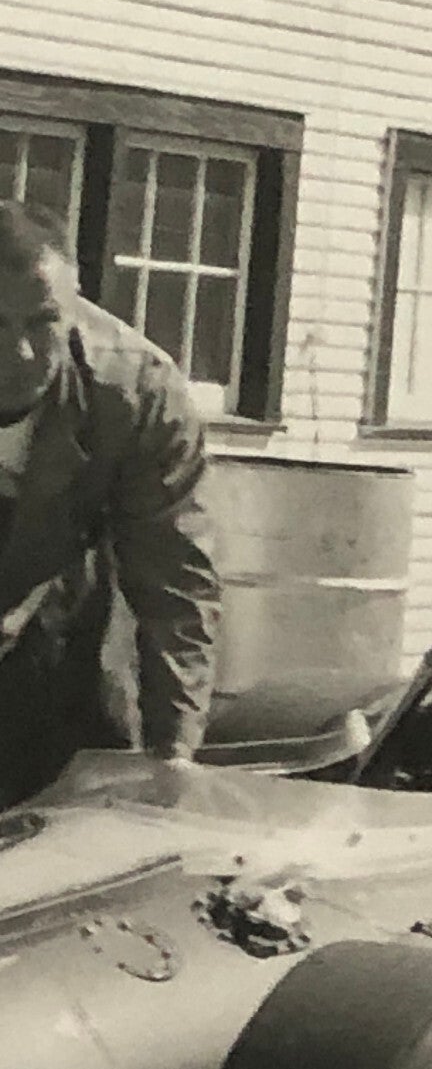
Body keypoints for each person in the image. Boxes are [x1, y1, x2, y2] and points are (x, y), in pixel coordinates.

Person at [0, 201, 219, 810]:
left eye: (41, 324)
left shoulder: (138, 393)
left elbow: (175, 585)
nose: (19, 354)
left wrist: (172, 756)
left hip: (57, 623)